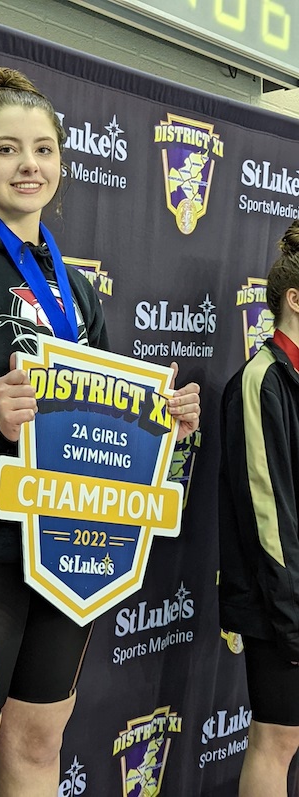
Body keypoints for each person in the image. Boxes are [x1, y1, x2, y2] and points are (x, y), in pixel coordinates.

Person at [0, 66, 201, 797]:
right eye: (7, 149)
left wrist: (161, 427)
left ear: (61, 164)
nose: (29, 165)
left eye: (43, 149)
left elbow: (97, 426)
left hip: (69, 548)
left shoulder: (74, 289)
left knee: (40, 745)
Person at [219, 219, 299, 797]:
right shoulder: (261, 379)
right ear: (295, 300)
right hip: (281, 601)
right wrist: (293, 619)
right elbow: (266, 513)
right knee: (277, 739)